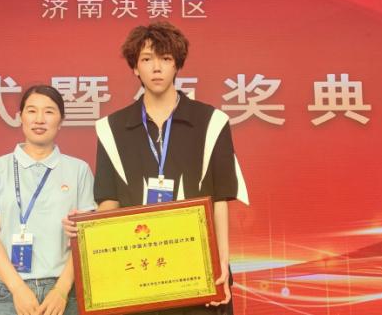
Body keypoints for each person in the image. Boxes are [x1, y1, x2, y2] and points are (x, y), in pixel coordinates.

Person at [64, 22, 249, 315]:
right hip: (137, 273)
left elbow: (220, 201)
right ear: (135, 67)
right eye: (147, 59)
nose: (157, 68)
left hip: (196, 268)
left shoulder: (211, 122)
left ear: (177, 65)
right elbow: (109, 201)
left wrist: (222, 264)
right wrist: (86, 228)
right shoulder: (112, 128)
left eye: (165, 58)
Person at [0, 85, 97, 315]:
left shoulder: (79, 170)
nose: (39, 119)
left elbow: (86, 237)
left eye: (49, 111)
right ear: (20, 117)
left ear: (61, 121)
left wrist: (61, 290)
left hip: (63, 291)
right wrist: (18, 289)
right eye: (31, 111)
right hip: (7, 291)